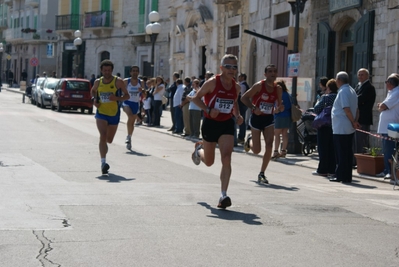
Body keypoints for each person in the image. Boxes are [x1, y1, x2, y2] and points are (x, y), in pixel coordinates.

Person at [191, 54, 243, 209]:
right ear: (221, 68)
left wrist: (238, 115)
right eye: (228, 66)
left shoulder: (237, 87)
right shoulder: (213, 82)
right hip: (210, 123)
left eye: (234, 67)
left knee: (226, 158)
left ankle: (223, 195)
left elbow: (234, 103)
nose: (231, 70)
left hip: (226, 123)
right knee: (209, 162)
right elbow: (195, 98)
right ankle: (198, 151)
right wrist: (207, 109)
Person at [241, 64, 283, 184]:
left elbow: (278, 105)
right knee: (256, 150)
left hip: (269, 119)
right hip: (256, 118)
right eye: (270, 71)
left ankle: (262, 173)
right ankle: (249, 140)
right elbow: (244, 98)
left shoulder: (278, 89)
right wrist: (254, 108)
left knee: (269, 145)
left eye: (275, 71)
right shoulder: (259, 86)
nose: (273, 73)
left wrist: (280, 108)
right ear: (265, 74)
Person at [91, 59, 129, 175]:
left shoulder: (118, 82)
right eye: (105, 70)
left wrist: (116, 98)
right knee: (102, 136)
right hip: (101, 113)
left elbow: (126, 96)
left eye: (109, 70)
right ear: (101, 70)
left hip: (114, 114)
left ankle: (104, 149)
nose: (107, 72)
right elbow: (93, 91)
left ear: (112, 70)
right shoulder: (98, 82)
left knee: (109, 140)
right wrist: (94, 100)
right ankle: (103, 163)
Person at [329, 71, 360, 183]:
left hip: (341, 126)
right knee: (347, 152)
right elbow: (356, 109)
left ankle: (341, 175)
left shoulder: (343, 91)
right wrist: (355, 121)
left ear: (339, 80)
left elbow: (346, 108)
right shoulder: (352, 91)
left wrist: (353, 121)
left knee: (341, 153)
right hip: (347, 126)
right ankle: (346, 175)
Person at [312, 79, 338, 177]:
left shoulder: (326, 97)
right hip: (335, 125)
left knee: (323, 148)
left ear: (328, 88)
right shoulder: (338, 97)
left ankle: (322, 169)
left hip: (324, 125)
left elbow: (316, 109)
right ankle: (332, 169)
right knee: (332, 148)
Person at [376, 73, 399, 181]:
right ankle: (386, 170)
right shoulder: (392, 92)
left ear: (390, 83)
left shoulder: (396, 92)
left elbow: (384, 106)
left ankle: (390, 171)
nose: (386, 84)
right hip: (386, 127)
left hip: (390, 127)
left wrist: (381, 106)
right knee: (386, 149)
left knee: (389, 149)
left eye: (386, 82)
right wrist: (381, 106)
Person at [354, 68, 376, 162]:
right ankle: (355, 160)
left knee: (361, 141)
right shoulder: (358, 86)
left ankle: (361, 161)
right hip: (356, 118)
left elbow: (360, 99)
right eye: (359, 74)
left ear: (367, 76)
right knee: (355, 141)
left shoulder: (369, 87)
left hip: (363, 118)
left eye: (362, 74)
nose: (360, 76)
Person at [122, 65, 143, 150]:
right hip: (127, 102)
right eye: (133, 71)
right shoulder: (126, 81)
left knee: (132, 122)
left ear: (138, 72)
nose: (135, 72)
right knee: (130, 116)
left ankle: (129, 137)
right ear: (130, 72)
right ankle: (128, 137)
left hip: (136, 103)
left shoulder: (141, 82)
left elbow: (144, 94)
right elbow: (120, 90)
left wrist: (142, 91)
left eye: (136, 71)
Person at [272, 80, 291, 159]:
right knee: (285, 134)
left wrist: (277, 110)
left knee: (277, 134)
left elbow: (276, 106)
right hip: (287, 115)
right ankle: (283, 151)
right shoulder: (287, 94)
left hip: (279, 115)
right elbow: (290, 105)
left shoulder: (278, 95)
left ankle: (276, 151)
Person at [237, 73, 250, 144]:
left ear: (243, 77)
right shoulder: (242, 85)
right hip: (242, 105)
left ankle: (241, 137)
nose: (238, 78)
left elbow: (241, 96)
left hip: (241, 105)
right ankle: (240, 137)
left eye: (239, 76)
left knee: (241, 121)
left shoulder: (242, 86)